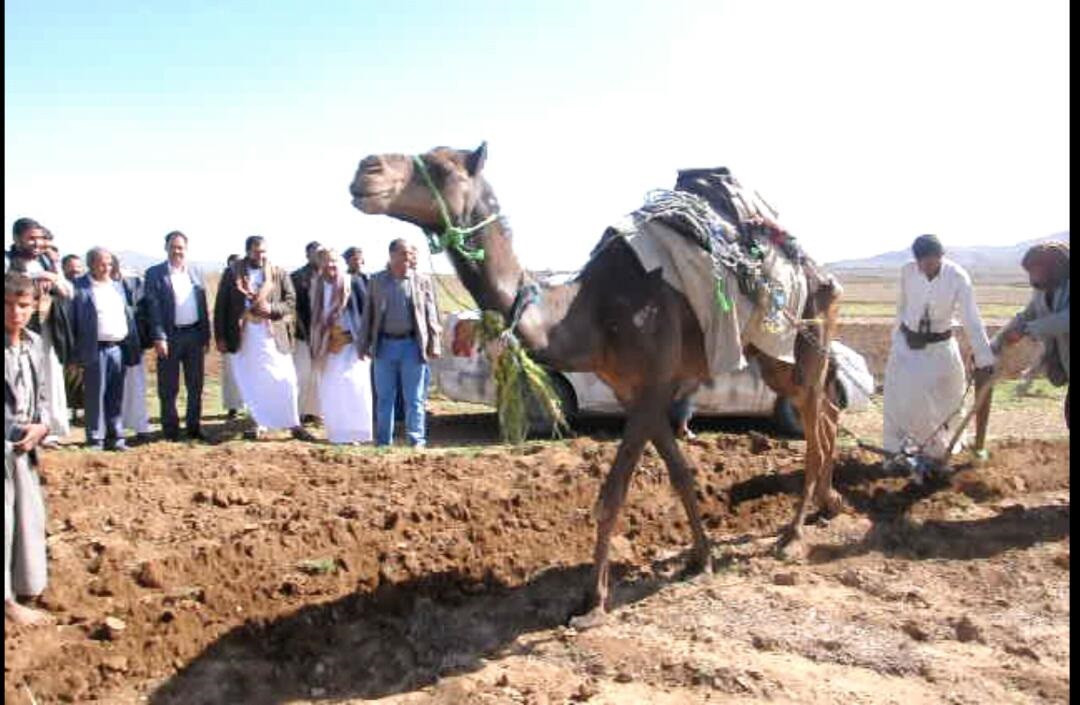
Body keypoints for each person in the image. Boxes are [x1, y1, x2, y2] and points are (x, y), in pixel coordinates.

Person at [882, 234, 995, 465]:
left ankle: (938, 453)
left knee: (948, 402)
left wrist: (984, 356)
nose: (927, 267)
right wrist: (896, 342)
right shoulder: (908, 272)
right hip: (907, 348)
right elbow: (901, 307)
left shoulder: (957, 277)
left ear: (941, 257)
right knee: (904, 400)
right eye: (923, 262)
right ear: (917, 260)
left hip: (941, 349)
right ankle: (898, 455)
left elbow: (970, 317)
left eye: (932, 261)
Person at [214, 236, 313, 441]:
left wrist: (271, 309)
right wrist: (221, 336)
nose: (261, 256)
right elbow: (221, 306)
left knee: (286, 380)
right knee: (253, 382)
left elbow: (290, 302)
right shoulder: (232, 273)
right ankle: (259, 423)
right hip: (245, 336)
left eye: (264, 251)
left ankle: (293, 423)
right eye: (257, 251)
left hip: (274, 335)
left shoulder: (277, 273)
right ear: (248, 252)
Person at [4, 272, 55, 626]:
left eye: (23, 306)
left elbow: (42, 397)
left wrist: (42, 425)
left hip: (25, 445)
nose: (15, 313)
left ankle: (27, 586)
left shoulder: (34, 343)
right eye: (7, 306)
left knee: (27, 518)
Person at [359, 238, 442, 448]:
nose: (408, 258)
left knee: (414, 399)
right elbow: (367, 315)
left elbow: (431, 315)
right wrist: (363, 344)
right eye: (403, 253)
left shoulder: (421, 281)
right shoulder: (377, 281)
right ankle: (383, 442)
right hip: (384, 347)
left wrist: (435, 343)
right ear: (392, 255)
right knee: (385, 398)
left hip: (412, 347)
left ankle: (416, 441)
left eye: (410, 254)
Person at [6, 218, 73, 446]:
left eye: (41, 238)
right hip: (15, 330)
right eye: (31, 238)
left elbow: (67, 291)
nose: (37, 243)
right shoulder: (8, 261)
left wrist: (52, 274)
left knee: (48, 377)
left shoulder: (45, 261)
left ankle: (48, 429)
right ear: (16, 239)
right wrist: (36, 279)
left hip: (45, 330)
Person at [991, 241, 1069, 427]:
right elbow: (1026, 316)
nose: (1033, 276)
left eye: (1036, 270)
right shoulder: (1041, 292)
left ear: (1053, 268)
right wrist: (997, 342)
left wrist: (1027, 330)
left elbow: (1065, 319)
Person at [144, 231, 212, 442]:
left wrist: (206, 336)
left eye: (180, 248)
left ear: (186, 249)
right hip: (169, 337)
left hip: (194, 335)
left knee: (195, 385)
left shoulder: (196, 272)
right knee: (168, 387)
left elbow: (203, 305)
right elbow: (152, 308)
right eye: (173, 247)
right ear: (166, 248)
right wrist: (158, 336)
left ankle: (193, 427)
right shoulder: (155, 274)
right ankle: (171, 431)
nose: (177, 251)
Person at [72, 247, 140, 451]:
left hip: (117, 349)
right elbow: (73, 322)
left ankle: (116, 437)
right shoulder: (80, 288)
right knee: (95, 395)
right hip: (95, 349)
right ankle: (95, 438)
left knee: (115, 395)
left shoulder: (117, 287)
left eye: (109, 263)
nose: (106, 268)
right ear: (91, 264)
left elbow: (128, 316)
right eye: (102, 263)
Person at [309, 248, 373, 444]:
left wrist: (365, 341)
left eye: (334, 261)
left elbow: (366, 313)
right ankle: (337, 433)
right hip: (327, 346)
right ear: (320, 265)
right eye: (326, 262)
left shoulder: (352, 282)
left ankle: (358, 433)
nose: (331, 265)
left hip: (352, 346)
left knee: (354, 387)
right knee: (332, 389)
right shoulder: (317, 286)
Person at [108, 255, 153, 441]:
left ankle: (139, 425)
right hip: (107, 344)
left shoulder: (131, 284)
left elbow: (143, 308)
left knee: (136, 384)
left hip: (132, 342)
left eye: (110, 265)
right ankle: (110, 429)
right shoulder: (94, 287)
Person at [291, 241, 323, 425]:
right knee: (302, 374)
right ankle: (299, 413)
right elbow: (293, 309)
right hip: (302, 334)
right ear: (307, 255)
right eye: (315, 253)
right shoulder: (297, 277)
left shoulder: (329, 276)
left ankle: (316, 412)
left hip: (323, 335)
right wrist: (306, 332)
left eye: (321, 253)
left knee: (319, 375)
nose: (318, 257)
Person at [60, 255, 87, 425]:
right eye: (71, 267)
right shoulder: (61, 288)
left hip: (84, 338)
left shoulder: (85, 287)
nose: (75, 271)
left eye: (78, 267)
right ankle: (70, 412)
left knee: (83, 377)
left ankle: (83, 411)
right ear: (64, 269)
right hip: (65, 338)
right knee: (68, 377)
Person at [219, 254, 245, 420]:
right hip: (231, 335)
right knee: (231, 373)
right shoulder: (226, 281)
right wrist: (221, 336)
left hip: (250, 335)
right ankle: (232, 407)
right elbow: (220, 310)